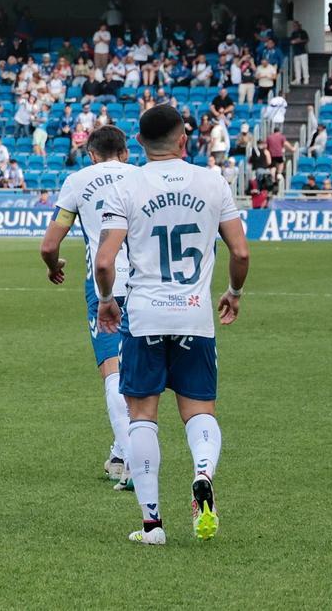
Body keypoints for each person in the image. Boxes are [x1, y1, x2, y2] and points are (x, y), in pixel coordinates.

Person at [95, 105, 250, 546]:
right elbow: (240, 253)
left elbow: (105, 261)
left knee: (142, 415)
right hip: (195, 316)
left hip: (145, 315)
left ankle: (152, 526)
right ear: (184, 139)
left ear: (139, 143)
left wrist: (106, 301)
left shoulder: (127, 185)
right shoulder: (213, 182)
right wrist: (234, 292)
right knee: (199, 411)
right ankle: (202, 473)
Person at [39, 125, 134, 489]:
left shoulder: (78, 181)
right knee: (139, 371)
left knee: (113, 371)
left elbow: (49, 246)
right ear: (125, 152)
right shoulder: (142, 177)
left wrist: (54, 267)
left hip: (105, 286)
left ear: (92, 154)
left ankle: (131, 461)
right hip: (147, 285)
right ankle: (120, 453)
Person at [289, 20, 309, 85]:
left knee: (304, 66)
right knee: (297, 67)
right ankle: (298, 79)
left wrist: (298, 41)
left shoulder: (303, 32)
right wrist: (295, 41)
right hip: (296, 53)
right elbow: (291, 41)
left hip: (303, 52)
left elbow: (306, 39)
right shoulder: (293, 33)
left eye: (295, 25)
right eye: (293, 26)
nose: (294, 27)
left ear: (298, 25)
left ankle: (306, 79)